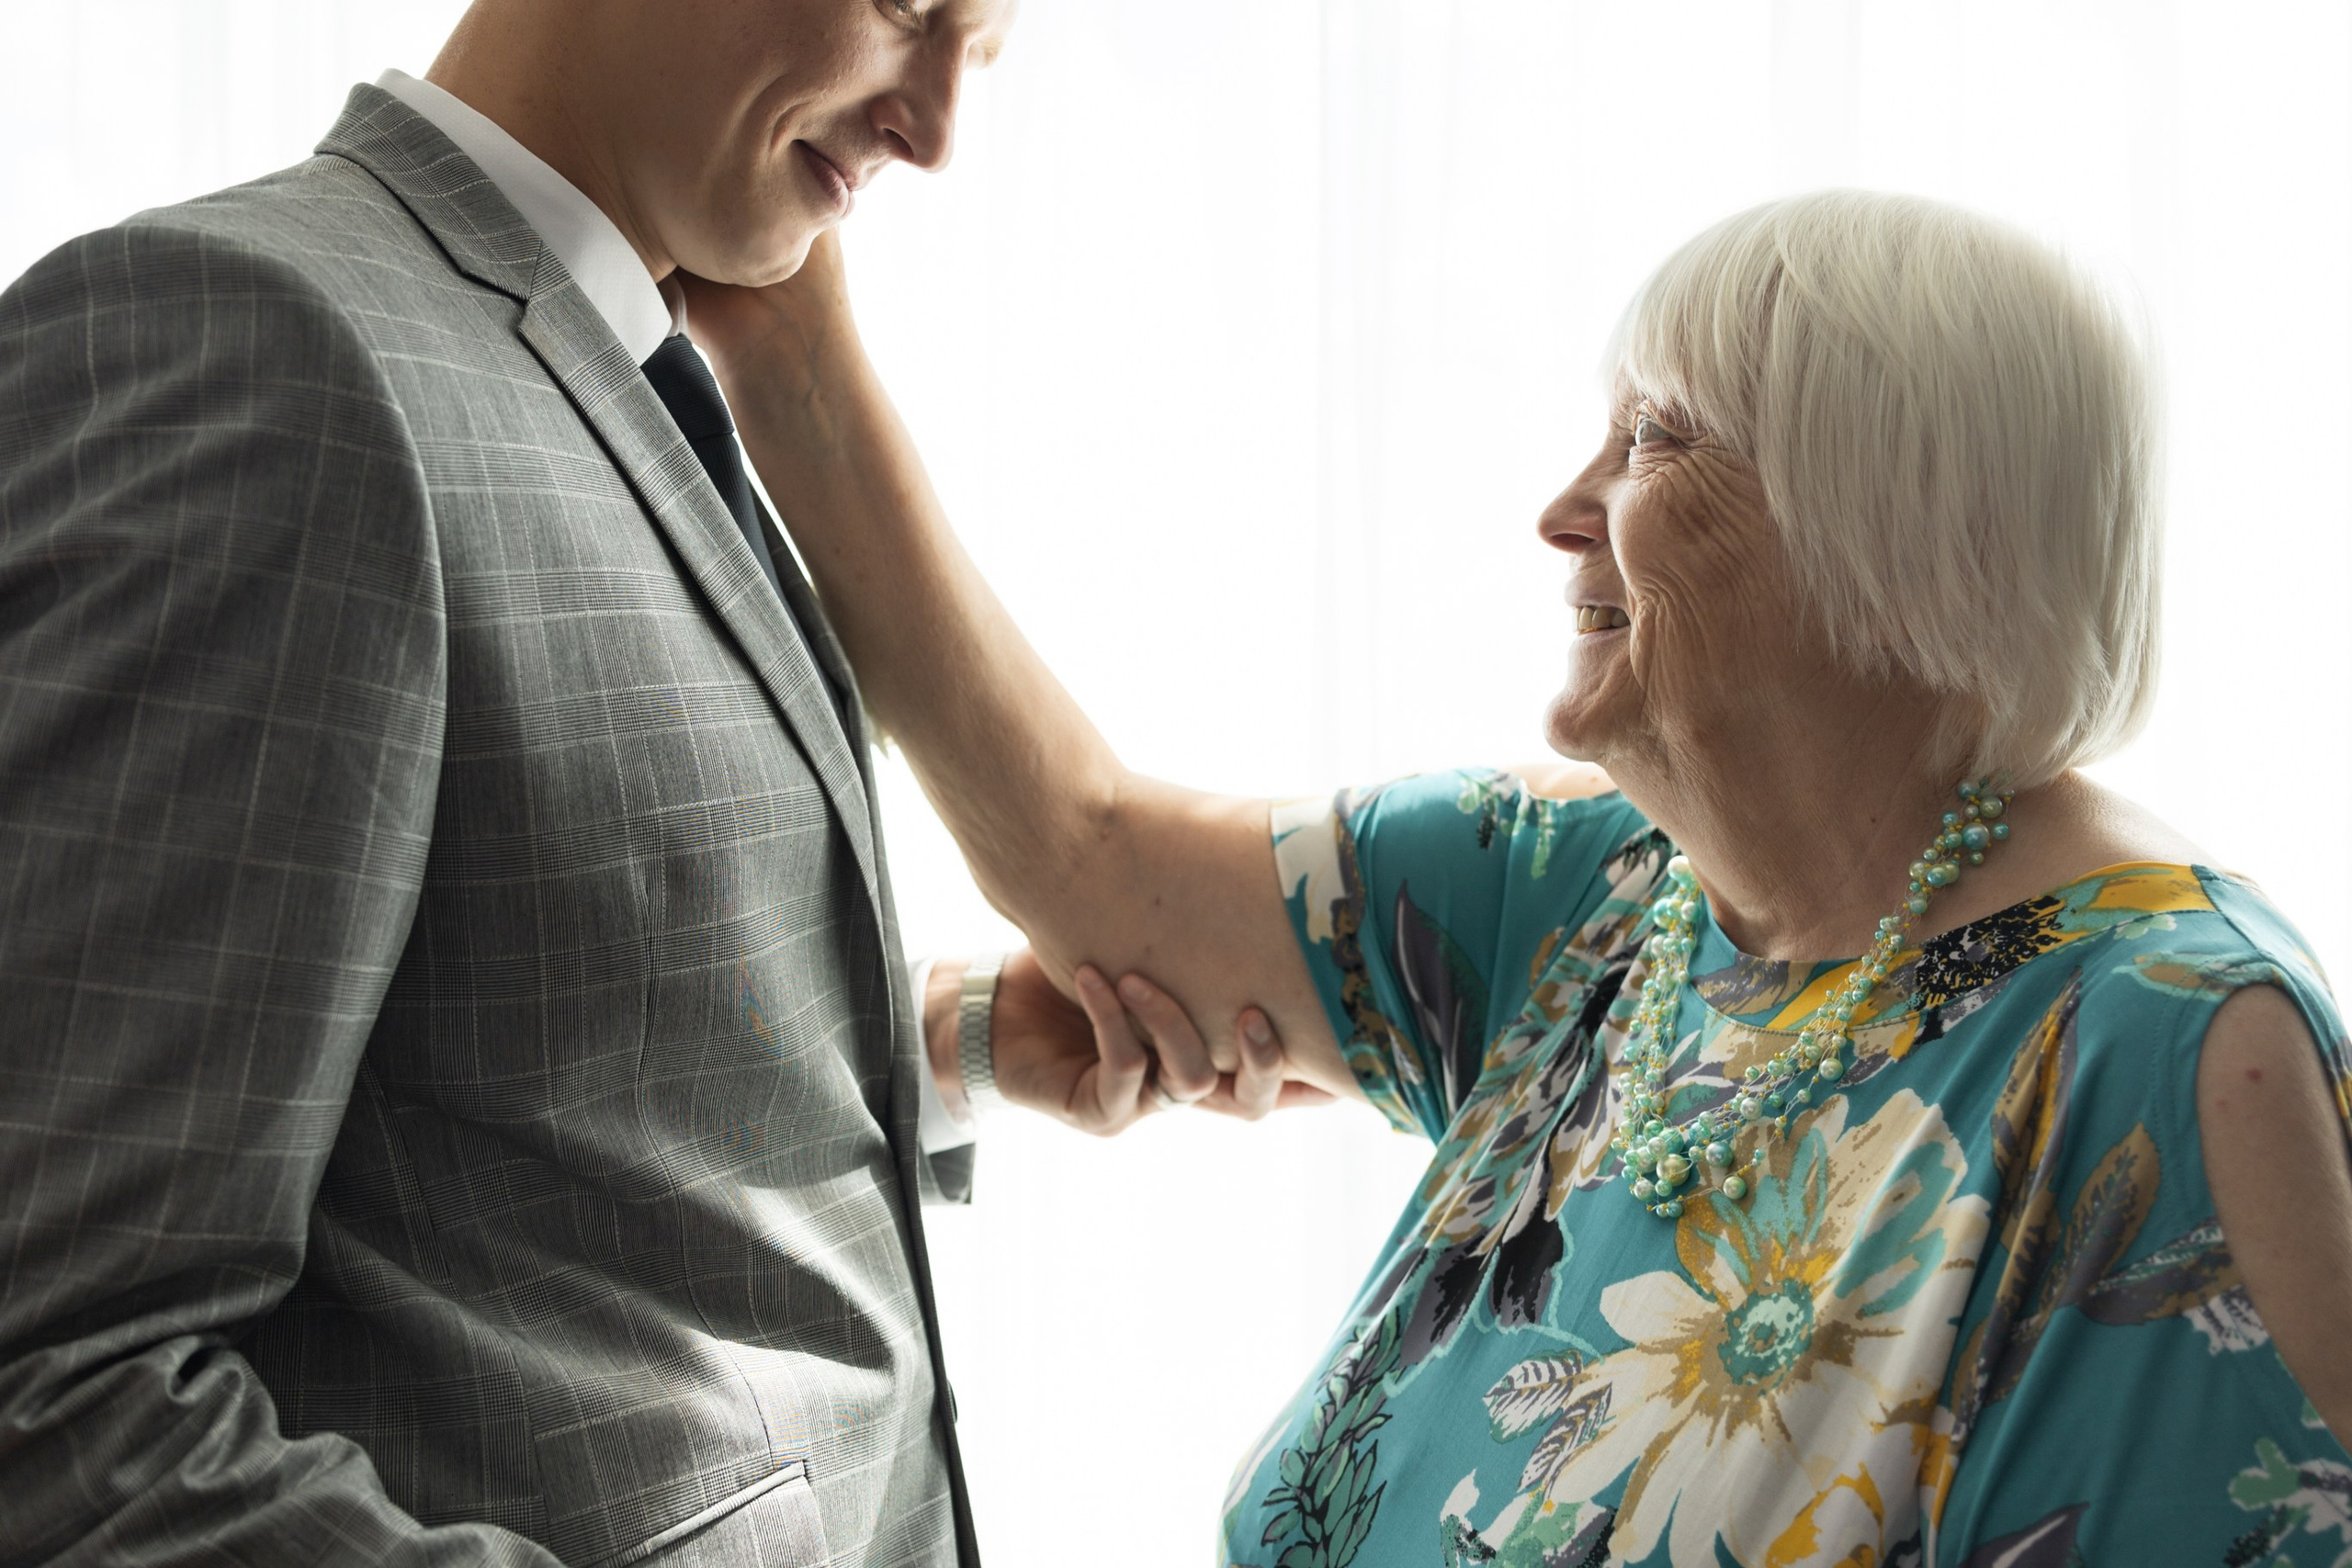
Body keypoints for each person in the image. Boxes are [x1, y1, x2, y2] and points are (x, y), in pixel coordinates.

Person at [686, 191, 2352, 1564]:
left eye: (1654, 445)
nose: (1565, 513)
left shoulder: (2179, 1042)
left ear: (1902, 526)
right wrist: (783, 345)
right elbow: (1093, 860)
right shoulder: (1602, 888)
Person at [0, 3, 1277, 1564]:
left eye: (983, 49)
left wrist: (936, 1050)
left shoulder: (631, 362)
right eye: (907, 9)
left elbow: (505, 1001)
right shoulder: (254, 344)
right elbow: (53, 1394)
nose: (936, 127)